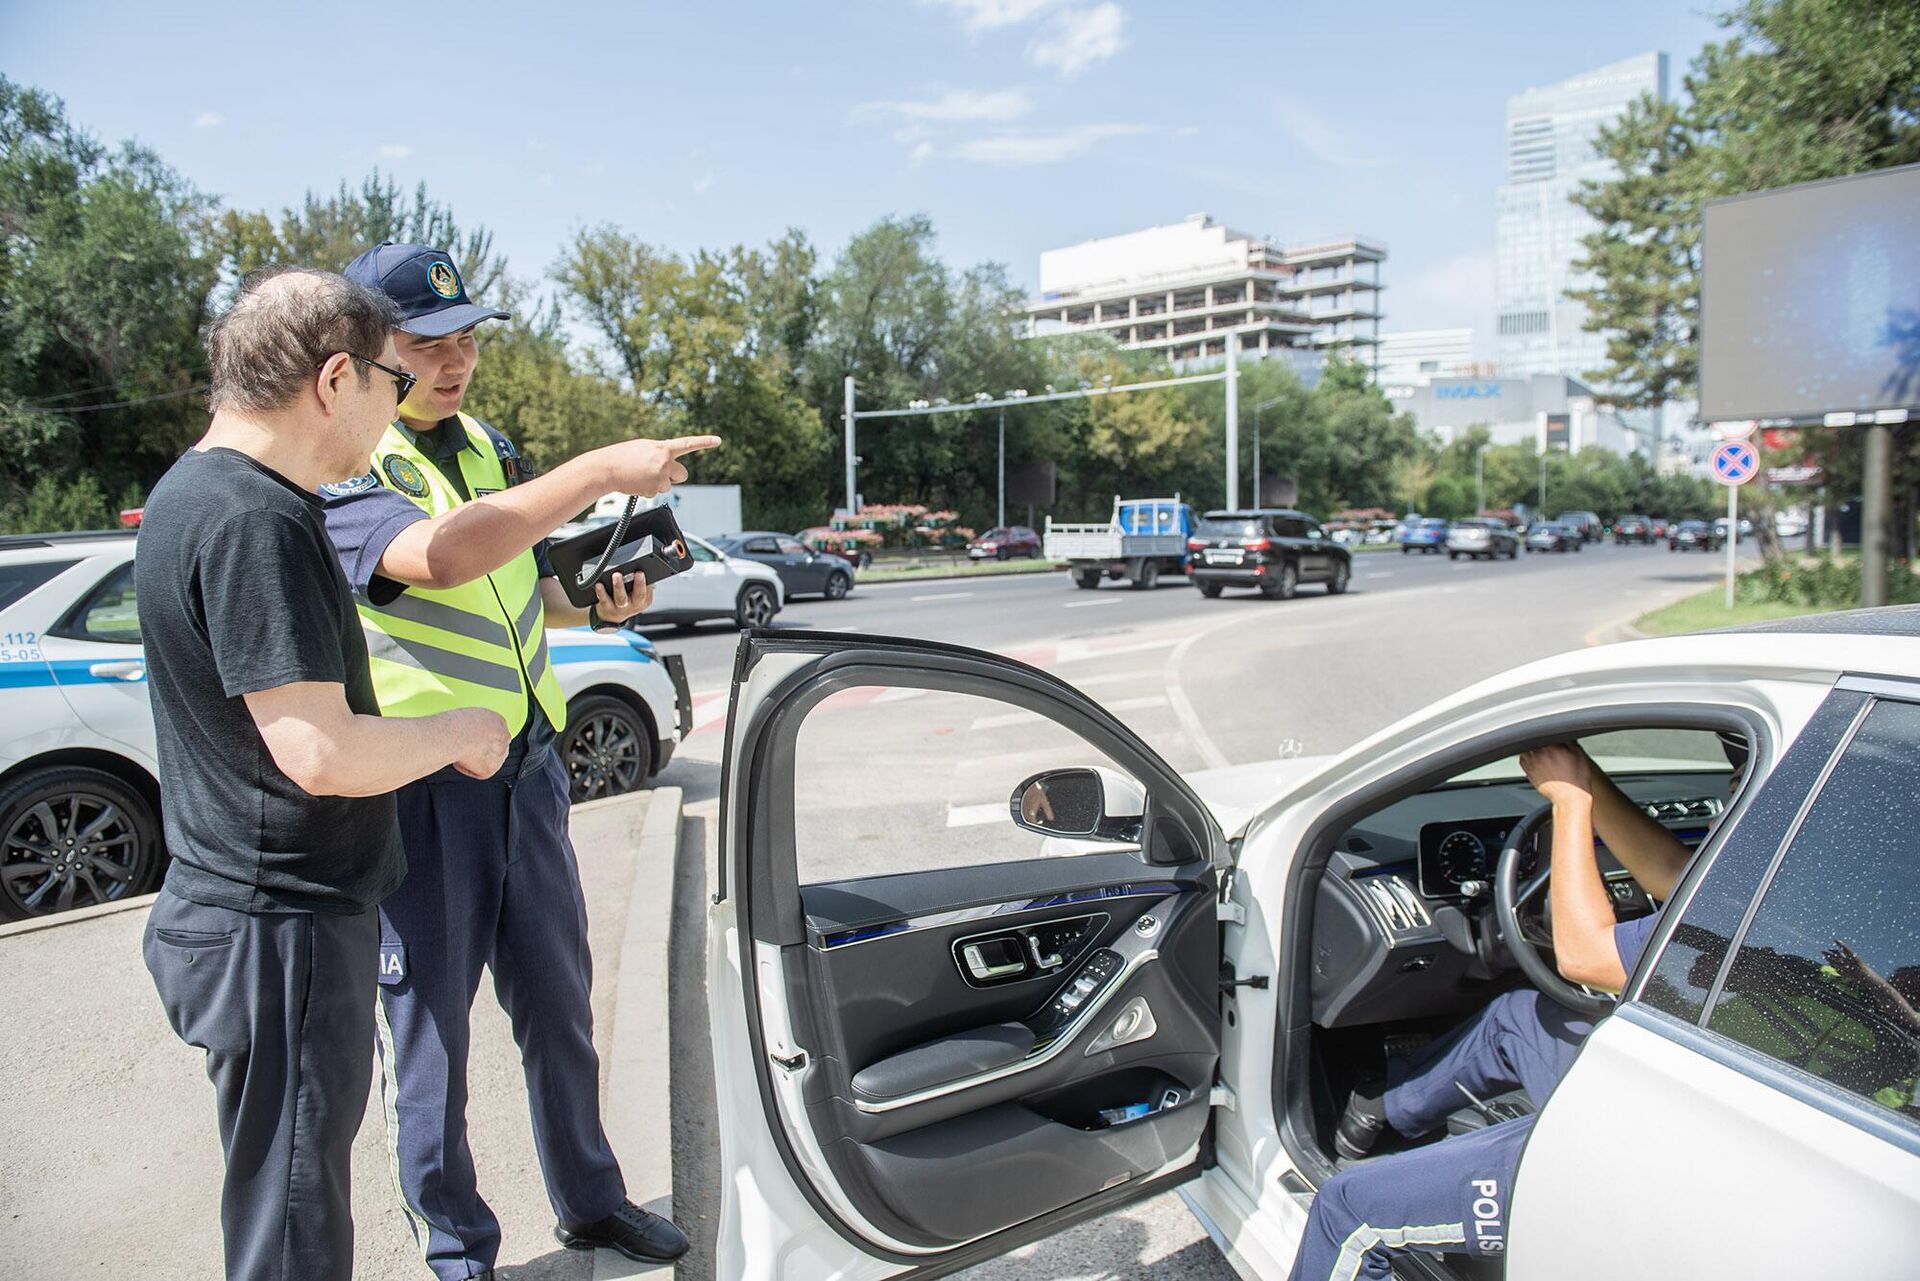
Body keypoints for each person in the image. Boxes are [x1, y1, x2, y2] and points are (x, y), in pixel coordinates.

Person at [321, 242, 717, 1277]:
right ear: (366, 351)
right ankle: (458, 1252)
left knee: (559, 1006)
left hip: (527, 771)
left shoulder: (484, 446)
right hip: (422, 795)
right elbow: (442, 558)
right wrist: (593, 471)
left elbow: (520, 584)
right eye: (425, 343)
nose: (453, 362)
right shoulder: (349, 463)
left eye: (468, 340)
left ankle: (591, 1202)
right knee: (431, 1043)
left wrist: (592, 595)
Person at [137, 268, 514, 1281]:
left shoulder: (194, 491)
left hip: (245, 913)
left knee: (280, 1190)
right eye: (391, 382)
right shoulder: (257, 520)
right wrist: (462, 730)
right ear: (335, 379)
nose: (396, 408)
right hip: (283, 929)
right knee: (297, 1218)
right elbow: (318, 750)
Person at [1287, 740, 1713, 1281]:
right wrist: (1581, 779)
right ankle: (1379, 1112)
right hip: (1682, 1097)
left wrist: (1569, 806)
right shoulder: (1813, 880)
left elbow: (1586, 957)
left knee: (1346, 1211)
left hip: (1657, 1151)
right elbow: (1675, 877)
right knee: (1518, 1016)